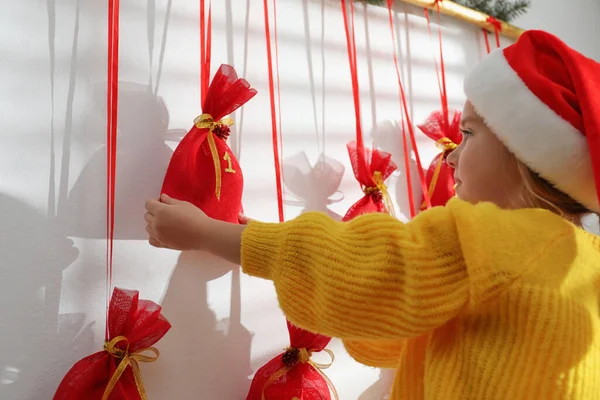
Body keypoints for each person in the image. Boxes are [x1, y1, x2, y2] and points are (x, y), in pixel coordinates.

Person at [145, 30, 600, 399]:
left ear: (524, 155)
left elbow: (366, 273)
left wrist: (211, 234)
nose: (452, 157)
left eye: (468, 134)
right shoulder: (577, 257)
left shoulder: (502, 240)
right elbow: (397, 332)